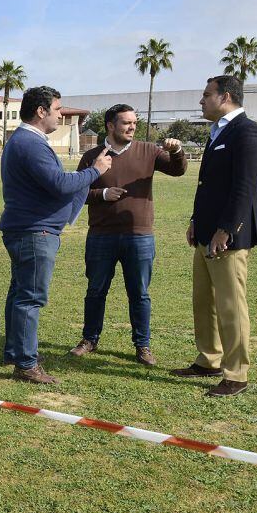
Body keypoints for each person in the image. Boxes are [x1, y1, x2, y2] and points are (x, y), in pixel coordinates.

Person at [0, 86, 112, 384]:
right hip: (35, 231)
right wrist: (95, 170)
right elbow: (59, 183)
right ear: (41, 111)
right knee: (30, 298)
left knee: (19, 293)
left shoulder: (23, 140)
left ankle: (16, 352)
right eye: (58, 109)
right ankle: (26, 364)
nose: (61, 114)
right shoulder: (30, 143)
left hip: (26, 228)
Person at [69, 104, 187, 366]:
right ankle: (89, 339)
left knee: (140, 293)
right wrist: (102, 194)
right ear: (111, 125)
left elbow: (178, 170)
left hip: (139, 236)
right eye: (126, 123)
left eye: (134, 122)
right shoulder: (92, 156)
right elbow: (76, 192)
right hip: (101, 236)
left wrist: (177, 150)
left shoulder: (149, 151)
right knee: (96, 290)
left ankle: (142, 346)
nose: (132, 127)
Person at [170, 75, 257, 397]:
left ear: (224, 97)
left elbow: (245, 187)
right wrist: (197, 221)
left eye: (206, 95)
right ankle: (208, 359)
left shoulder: (247, 131)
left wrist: (227, 229)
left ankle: (236, 373)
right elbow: (208, 185)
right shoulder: (217, 132)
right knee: (203, 301)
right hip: (206, 232)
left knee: (230, 305)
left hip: (228, 237)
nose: (201, 101)